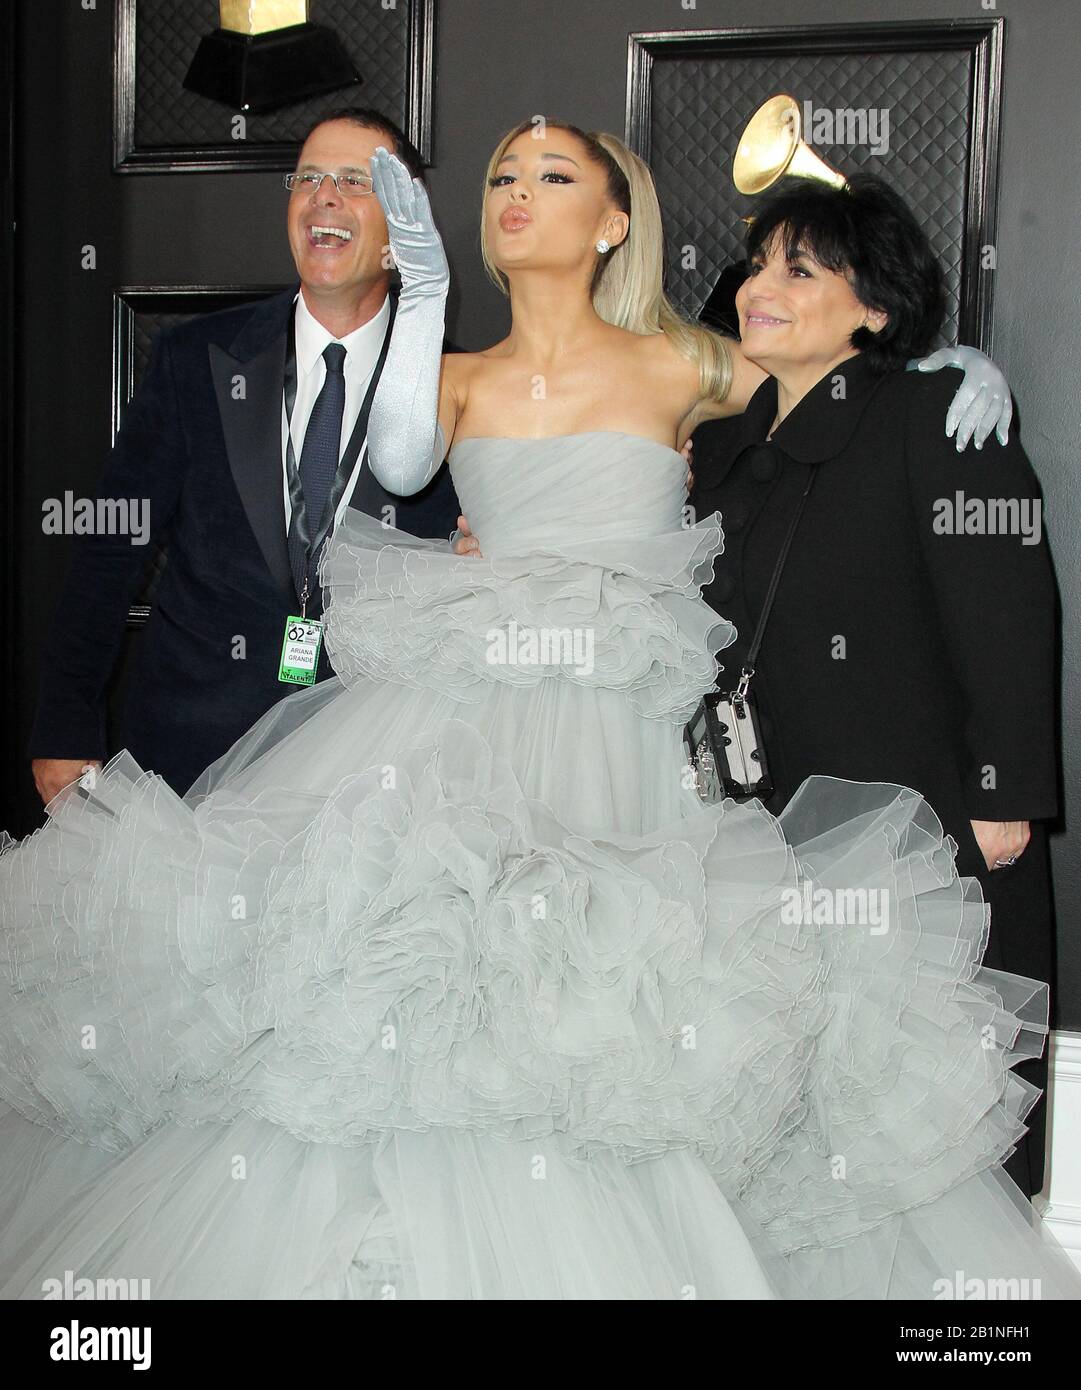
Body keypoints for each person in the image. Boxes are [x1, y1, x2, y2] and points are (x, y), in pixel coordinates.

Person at [1, 121, 1079, 1301]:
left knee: (595, 1002)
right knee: (407, 976)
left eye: (552, 176)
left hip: (619, 742)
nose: (516, 193)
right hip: (452, 718)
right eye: (503, 177)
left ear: (615, 220)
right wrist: (419, 297)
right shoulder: (457, 372)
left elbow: (813, 369)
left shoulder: (686, 368)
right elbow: (406, 463)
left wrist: (946, 363)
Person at [686, 174, 1059, 1200]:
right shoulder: (719, 443)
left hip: (921, 826)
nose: (761, 282)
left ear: (875, 309)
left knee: (926, 1131)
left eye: (799, 267)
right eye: (758, 262)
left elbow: (1008, 608)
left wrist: (1004, 795)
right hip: (762, 825)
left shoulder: (935, 413)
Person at [27, 107, 462, 806]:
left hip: (368, 781)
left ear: (405, 223)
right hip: (185, 764)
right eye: (309, 177)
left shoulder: (460, 390)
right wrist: (64, 726)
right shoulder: (193, 361)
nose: (325, 195)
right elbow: (109, 546)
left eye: (356, 180)